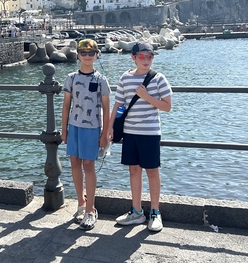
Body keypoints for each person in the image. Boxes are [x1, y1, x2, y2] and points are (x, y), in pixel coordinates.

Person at [109, 41, 172, 232]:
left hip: (150, 132)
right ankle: (136, 211)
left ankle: (155, 212)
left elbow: (167, 106)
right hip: (129, 132)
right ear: (133, 57)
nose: (146, 60)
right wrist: (109, 127)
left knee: (152, 171)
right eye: (142, 56)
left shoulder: (158, 78)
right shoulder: (125, 78)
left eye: (150, 56)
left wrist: (146, 97)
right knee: (133, 171)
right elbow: (119, 104)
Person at [61, 39, 110, 230]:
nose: (88, 56)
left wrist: (105, 133)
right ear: (78, 55)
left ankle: (91, 209)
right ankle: (81, 202)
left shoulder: (101, 80)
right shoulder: (71, 78)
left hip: (92, 128)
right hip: (74, 126)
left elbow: (106, 108)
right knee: (74, 162)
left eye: (91, 53)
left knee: (88, 165)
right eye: (84, 53)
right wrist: (63, 128)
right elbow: (66, 105)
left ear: (97, 55)